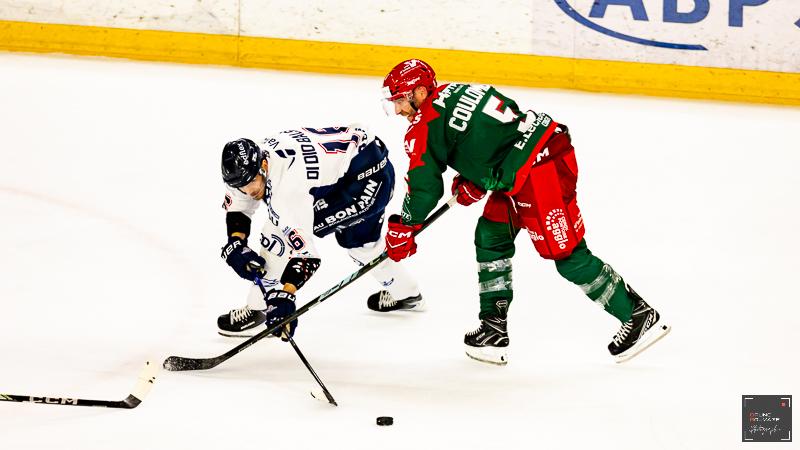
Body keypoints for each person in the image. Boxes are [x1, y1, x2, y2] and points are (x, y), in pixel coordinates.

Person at [381, 59, 670, 365]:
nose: (398, 110)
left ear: (421, 92)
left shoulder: (423, 128)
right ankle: (493, 328)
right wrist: (477, 176)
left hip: (540, 172)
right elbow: (494, 132)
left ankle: (638, 315)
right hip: (527, 164)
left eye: (400, 100)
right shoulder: (458, 90)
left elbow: (425, 190)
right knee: (491, 234)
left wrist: (406, 226)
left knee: (568, 256)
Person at [217, 125, 423, 338]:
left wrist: (285, 297)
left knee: (277, 236)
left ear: (264, 164)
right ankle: (407, 293)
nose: (248, 191)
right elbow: (239, 205)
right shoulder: (247, 165)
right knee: (363, 246)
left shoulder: (287, 191)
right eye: (241, 186)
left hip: (365, 181)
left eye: (252, 183)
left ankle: (259, 309)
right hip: (366, 158)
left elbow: (307, 257)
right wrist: (236, 242)